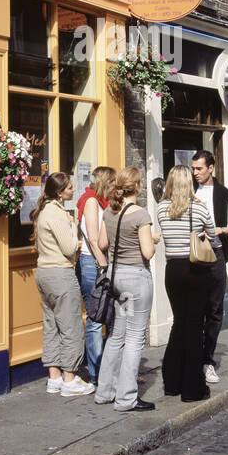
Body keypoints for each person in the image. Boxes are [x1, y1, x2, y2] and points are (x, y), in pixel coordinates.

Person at [94, 167, 157, 411]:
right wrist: (152, 237)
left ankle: (105, 391)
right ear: (138, 187)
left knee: (116, 336)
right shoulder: (140, 214)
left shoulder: (110, 211)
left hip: (115, 277)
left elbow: (101, 243)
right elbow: (147, 252)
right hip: (135, 280)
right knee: (134, 338)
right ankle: (126, 398)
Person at [156, 165, 219, 403]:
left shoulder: (162, 208)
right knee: (195, 326)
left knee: (178, 323)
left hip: (173, 271)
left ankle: (172, 382)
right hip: (194, 269)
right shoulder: (199, 208)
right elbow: (212, 235)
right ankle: (192, 388)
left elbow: (162, 231)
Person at [33, 173, 95, 397]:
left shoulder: (43, 211)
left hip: (44, 273)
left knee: (51, 326)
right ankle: (70, 380)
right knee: (71, 327)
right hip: (60, 274)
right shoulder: (57, 214)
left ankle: (55, 377)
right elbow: (69, 248)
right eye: (69, 187)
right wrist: (73, 225)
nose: (73, 189)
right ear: (59, 192)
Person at [191, 151, 228, 385]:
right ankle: (192, 358)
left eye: (199, 168)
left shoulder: (224, 195)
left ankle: (207, 361)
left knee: (214, 309)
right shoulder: (189, 191)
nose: (195, 173)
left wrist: (217, 230)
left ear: (211, 168)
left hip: (215, 254)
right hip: (191, 255)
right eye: (193, 169)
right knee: (192, 309)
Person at [75, 166, 115, 384]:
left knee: (108, 317)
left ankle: (108, 370)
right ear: (104, 183)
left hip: (102, 262)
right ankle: (97, 373)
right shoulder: (91, 202)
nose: (114, 188)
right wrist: (104, 266)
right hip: (93, 264)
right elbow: (93, 238)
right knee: (96, 319)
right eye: (111, 184)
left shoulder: (102, 203)